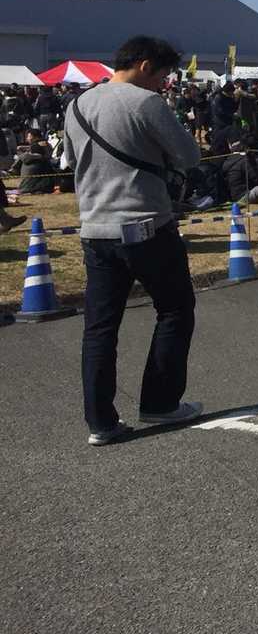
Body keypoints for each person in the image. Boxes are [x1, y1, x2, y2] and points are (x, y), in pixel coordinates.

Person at [64, 35, 204, 446]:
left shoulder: (77, 105)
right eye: (162, 75)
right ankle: (160, 402)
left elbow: (71, 161)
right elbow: (189, 155)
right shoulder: (146, 103)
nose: (163, 84)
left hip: (95, 229)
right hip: (146, 225)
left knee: (100, 328)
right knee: (175, 310)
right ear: (145, 66)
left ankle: (100, 422)